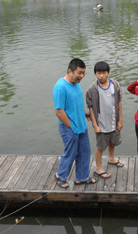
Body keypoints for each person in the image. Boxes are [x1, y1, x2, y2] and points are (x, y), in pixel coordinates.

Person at [53, 58, 96, 188]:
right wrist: (70, 126)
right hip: (69, 128)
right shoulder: (60, 87)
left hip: (81, 126)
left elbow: (74, 104)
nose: (82, 76)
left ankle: (81, 177)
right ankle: (61, 175)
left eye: (83, 73)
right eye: (79, 73)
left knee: (84, 152)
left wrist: (85, 113)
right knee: (71, 153)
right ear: (70, 71)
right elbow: (59, 111)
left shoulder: (76, 83)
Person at [86, 61, 124, 179]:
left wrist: (120, 120)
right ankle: (98, 168)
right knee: (100, 146)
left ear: (108, 73)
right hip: (101, 124)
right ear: (95, 74)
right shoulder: (93, 88)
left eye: (104, 73)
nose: (101, 76)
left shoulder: (115, 84)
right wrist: (95, 125)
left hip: (113, 121)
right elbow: (91, 107)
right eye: (99, 73)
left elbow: (119, 102)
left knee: (112, 142)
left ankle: (111, 159)